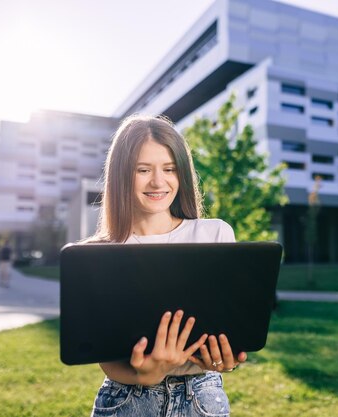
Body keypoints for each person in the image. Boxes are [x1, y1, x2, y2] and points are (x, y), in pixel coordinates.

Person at [86, 115, 247, 417]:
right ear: (121, 175)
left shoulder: (215, 234)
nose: (158, 182)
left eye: (169, 169)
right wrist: (144, 375)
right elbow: (105, 357)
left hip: (202, 397)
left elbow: (229, 325)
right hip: (127, 399)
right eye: (143, 170)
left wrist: (226, 357)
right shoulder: (100, 253)